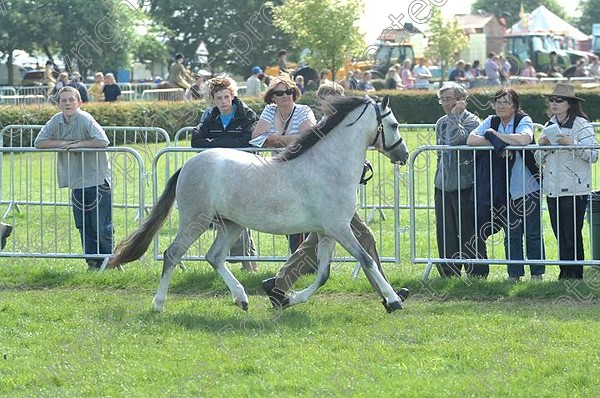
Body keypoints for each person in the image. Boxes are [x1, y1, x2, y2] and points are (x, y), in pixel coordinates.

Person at [261, 82, 409, 307]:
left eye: (337, 98)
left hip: (330, 197)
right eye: (330, 99)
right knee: (364, 238)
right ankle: (389, 294)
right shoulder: (325, 127)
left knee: (315, 245)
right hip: (326, 197)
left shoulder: (340, 127)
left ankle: (279, 284)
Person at [467, 88, 544, 281]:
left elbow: (524, 139)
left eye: (506, 102)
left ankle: (537, 274)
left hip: (527, 186)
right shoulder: (491, 121)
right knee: (512, 233)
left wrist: (495, 136)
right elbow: (471, 139)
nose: (501, 106)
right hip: (503, 188)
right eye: (498, 102)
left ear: (515, 106)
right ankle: (514, 274)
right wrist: (496, 141)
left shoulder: (523, 120)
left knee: (532, 232)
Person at [34, 86, 112, 271]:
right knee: (83, 225)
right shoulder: (56, 121)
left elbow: (102, 141)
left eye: (71, 100)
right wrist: (64, 144)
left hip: (98, 180)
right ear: (59, 104)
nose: (67, 103)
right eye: (63, 100)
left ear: (80, 102)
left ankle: (109, 261)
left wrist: (78, 145)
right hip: (77, 182)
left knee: (101, 225)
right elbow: (39, 142)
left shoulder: (85, 119)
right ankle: (92, 262)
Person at [191, 76, 259, 272]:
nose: (223, 102)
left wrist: (216, 144)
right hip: (219, 178)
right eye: (219, 98)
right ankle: (232, 264)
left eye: (226, 97)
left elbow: (247, 140)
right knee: (224, 219)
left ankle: (249, 266)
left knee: (242, 220)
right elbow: (196, 140)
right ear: (213, 99)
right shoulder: (210, 116)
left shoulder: (247, 114)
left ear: (233, 96)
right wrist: (226, 143)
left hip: (243, 175)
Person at [537, 83, 599, 279]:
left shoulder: (582, 124)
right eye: (552, 100)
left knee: (572, 233)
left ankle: (575, 274)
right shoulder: (548, 125)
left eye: (559, 100)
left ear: (570, 103)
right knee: (560, 234)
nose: (554, 103)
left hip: (575, 188)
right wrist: (542, 146)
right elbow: (538, 159)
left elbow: (593, 155)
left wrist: (573, 144)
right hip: (552, 189)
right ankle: (565, 273)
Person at [251, 76, 317, 253]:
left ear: (294, 93)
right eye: (279, 93)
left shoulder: (304, 110)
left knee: (301, 218)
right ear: (272, 97)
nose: (284, 96)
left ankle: (306, 262)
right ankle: (300, 261)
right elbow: (256, 137)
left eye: (288, 91)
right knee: (289, 217)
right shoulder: (269, 110)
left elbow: (308, 137)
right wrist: (289, 140)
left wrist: (273, 140)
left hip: (304, 171)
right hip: (278, 172)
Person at [434, 82, 484, 277]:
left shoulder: (473, 121)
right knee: (445, 230)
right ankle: (449, 271)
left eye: (450, 99)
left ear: (461, 100)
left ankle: (476, 271)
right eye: (443, 99)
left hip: (465, 184)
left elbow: (457, 140)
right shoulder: (441, 122)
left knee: (468, 230)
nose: (446, 104)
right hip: (443, 183)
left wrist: (455, 117)